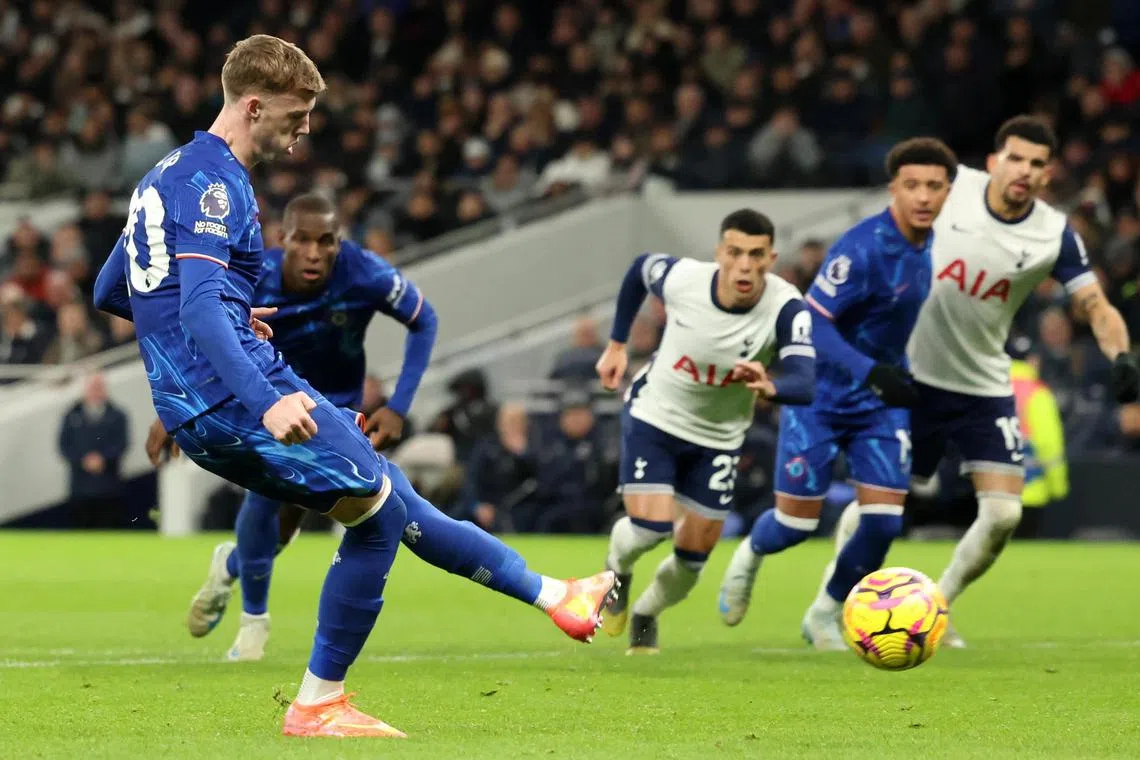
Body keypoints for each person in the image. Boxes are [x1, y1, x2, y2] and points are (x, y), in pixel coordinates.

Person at [92, 34, 406, 738]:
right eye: (296, 119)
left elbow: (112, 287)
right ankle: (319, 703)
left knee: (344, 505)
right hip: (231, 399)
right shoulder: (218, 182)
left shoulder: (165, 171)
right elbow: (199, 306)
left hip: (187, 405)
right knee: (381, 510)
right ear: (256, 106)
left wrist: (226, 319)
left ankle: (246, 593)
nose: (302, 135)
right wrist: (266, 400)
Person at [146, 192, 615, 662]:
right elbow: (202, 336)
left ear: (338, 241)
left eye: (325, 241)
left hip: (334, 413)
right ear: (282, 240)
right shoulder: (253, 277)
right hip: (270, 409)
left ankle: (235, 575)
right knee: (380, 506)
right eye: (303, 241)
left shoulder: (362, 272)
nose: (314, 252)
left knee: (353, 516)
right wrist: (175, 410)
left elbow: (423, 319)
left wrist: (399, 405)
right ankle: (260, 629)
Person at [820, 116, 1140, 647]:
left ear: (1047, 174)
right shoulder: (952, 190)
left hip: (981, 383)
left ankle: (935, 608)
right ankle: (832, 603)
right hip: (911, 374)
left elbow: (1097, 305)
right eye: (1015, 158)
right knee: (886, 503)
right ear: (993, 162)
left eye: (1037, 164)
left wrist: (1122, 355)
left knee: (1003, 514)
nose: (1024, 170)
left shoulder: (1053, 234)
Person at [715, 138, 958, 648]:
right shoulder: (862, 248)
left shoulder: (935, 242)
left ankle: (825, 612)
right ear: (894, 188)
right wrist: (868, 368)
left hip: (880, 403)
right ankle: (749, 556)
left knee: (885, 523)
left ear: (947, 192)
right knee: (794, 525)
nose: (923, 196)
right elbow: (813, 321)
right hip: (821, 398)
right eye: (912, 185)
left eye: (934, 186)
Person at [596, 209, 816, 654]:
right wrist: (617, 343)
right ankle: (616, 571)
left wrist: (771, 384)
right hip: (655, 416)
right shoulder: (684, 280)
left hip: (718, 438)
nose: (744, 265)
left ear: (771, 258)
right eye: (734, 252)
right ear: (719, 253)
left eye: (756, 255)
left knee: (693, 559)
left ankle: (646, 614)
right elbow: (640, 268)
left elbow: (805, 380)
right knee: (651, 527)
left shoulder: (788, 307)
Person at [58, 372, 129, 529]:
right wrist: (82, 460)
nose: (96, 391)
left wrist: (103, 458)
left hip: (110, 488)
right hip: (80, 488)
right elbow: (64, 445)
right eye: (92, 387)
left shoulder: (117, 415)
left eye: (99, 387)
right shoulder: (71, 415)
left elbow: (122, 444)